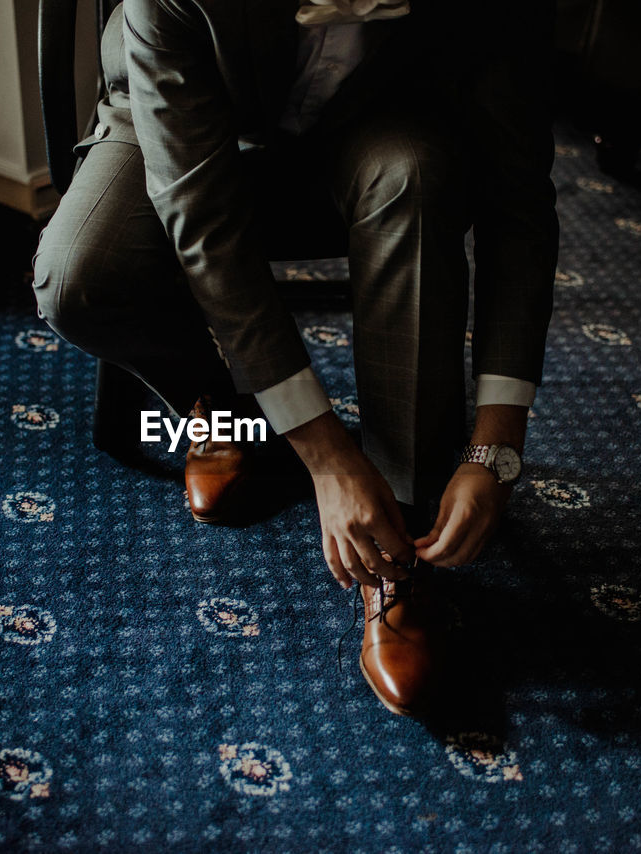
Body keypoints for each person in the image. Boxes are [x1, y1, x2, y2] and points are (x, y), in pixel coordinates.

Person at [31, 0, 558, 716]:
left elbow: (517, 201)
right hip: (185, 100)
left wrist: (497, 445)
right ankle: (227, 414)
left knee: (416, 176)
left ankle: (397, 540)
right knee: (77, 280)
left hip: (374, 118)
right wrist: (329, 458)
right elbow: (207, 224)